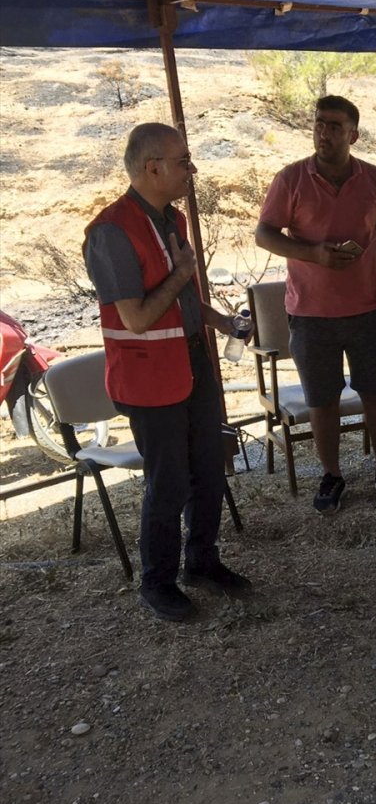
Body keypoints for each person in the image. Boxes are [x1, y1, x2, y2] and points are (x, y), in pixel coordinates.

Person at [84, 122, 252, 622]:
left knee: (207, 470)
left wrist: (223, 321)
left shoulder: (169, 219)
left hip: (191, 366)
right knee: (170, 481)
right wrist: (183, 272)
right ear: (152, 167)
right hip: (149, 378)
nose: (191, 170)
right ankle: (157, 582)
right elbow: (135, 317)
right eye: (183, 161)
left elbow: (181, 296)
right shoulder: (111, 231)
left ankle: (202, 561)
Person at [255, 95, 376, 515]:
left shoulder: (375, 179)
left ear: (353, 134)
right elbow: (264, 234)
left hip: (370, 308)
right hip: (310, 314)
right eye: (320, 123)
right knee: (322, 400)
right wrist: (314, 253)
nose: (324, 132)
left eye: (335, 126)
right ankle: (332, 474)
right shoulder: (291, 179)